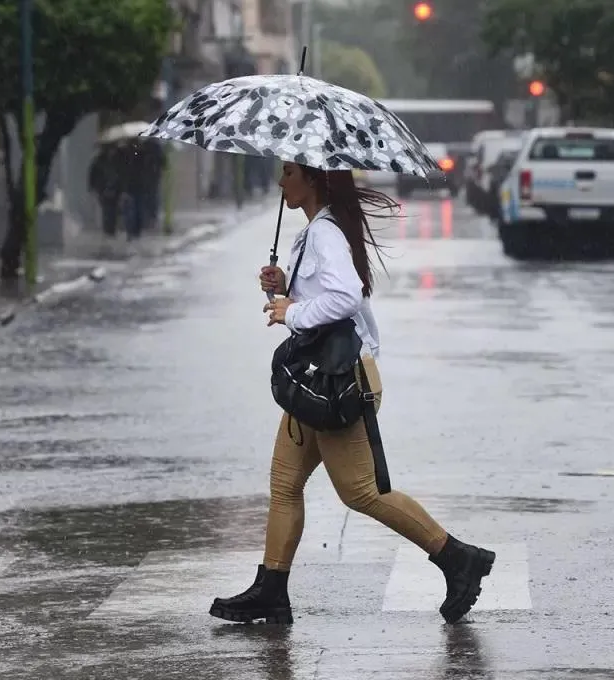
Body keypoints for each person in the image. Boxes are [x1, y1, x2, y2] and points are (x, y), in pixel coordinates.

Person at [209, 162, 496, 626]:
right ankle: (271, 590)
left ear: (314, 180)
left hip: (340, 382)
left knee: (361, 492)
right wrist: (285, 287)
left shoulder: (325, 234)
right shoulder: (317, 231)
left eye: (288, 174)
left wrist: (291, 312)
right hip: (318, 377)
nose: (281, 182)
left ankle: (457, 558)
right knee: (285, 484)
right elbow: (329, 295)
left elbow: (345, 297)